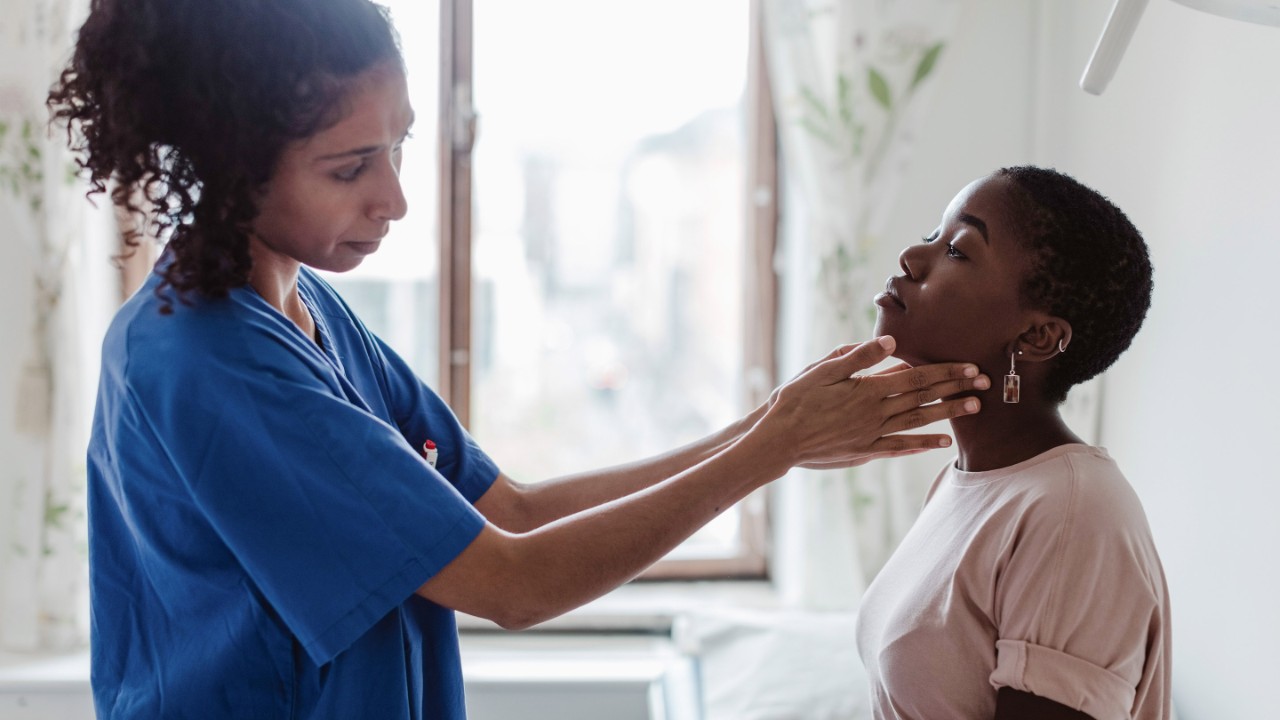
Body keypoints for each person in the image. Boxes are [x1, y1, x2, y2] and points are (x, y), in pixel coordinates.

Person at [48, 1, 990, 717]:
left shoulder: (308, 309)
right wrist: (769, 450)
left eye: (398, 147)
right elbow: (514, 580)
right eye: (350, 167)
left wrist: (769, 429)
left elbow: (511, 509)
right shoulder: (205, 360)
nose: (394, 199)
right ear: (229, 159)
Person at [856, 166, 1169, 720]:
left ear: (1037, 336)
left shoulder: (1073, 513)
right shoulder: (967, 481)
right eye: (933, 235)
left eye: (957, 250)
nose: (911, 256)